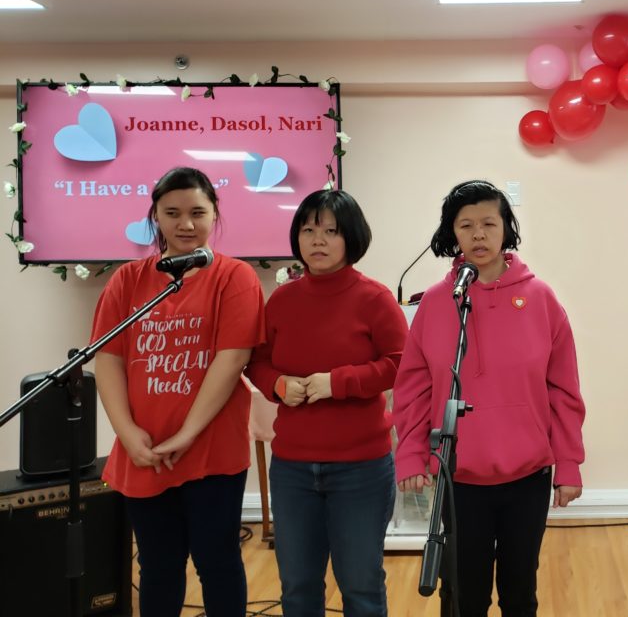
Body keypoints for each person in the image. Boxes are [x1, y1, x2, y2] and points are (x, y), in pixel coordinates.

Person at [392, 179, 586, 617]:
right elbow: (413, 390)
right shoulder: (436, 303)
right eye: (466, 225)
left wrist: (569, 462)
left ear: (506, 228)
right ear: (452, 233)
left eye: (488, 223)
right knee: (463, 596)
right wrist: (410, 455)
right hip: (458, 479)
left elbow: (563, 390)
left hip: (528, 476)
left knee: (520, 593)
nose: (478, 235)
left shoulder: (540, 299)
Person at [91, 167, 265, 617]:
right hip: (145, 451)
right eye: (172, 213)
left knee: (217, 562)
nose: (185, 224)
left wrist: (188, 433)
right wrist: (126, 433)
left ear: (215, 214)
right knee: (157, 566)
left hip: (211, 450)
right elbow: (108, 359)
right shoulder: (128, 280)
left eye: (197, 213)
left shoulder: (234, 276)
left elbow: (232, 358)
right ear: (155, 216)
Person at [246, 189, 407, 617]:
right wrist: (278, 384)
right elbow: (257, 362)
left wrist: (339, 383)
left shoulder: (374, 298)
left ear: (351, 237)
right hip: (292, 469)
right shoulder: (282, 300)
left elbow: (400, 364)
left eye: (331, 231)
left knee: (361, 587)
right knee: (297, 588)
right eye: (308, 230)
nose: (318, 240)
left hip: (361, 469)